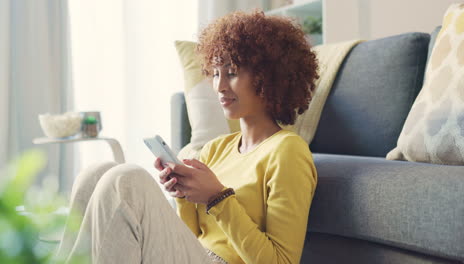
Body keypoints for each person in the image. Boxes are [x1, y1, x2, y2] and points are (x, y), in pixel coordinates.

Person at [55, 9, 319, 264]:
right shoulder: (216, 149)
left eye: (232, 72)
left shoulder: (287, 151)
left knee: (126, 180)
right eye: (215, 73)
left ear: (269, 77)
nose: (219, 86)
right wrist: (182, 195)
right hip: (196, 255)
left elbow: (281, 261)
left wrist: (217, 198)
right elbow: (192, 237)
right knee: (98, 173)